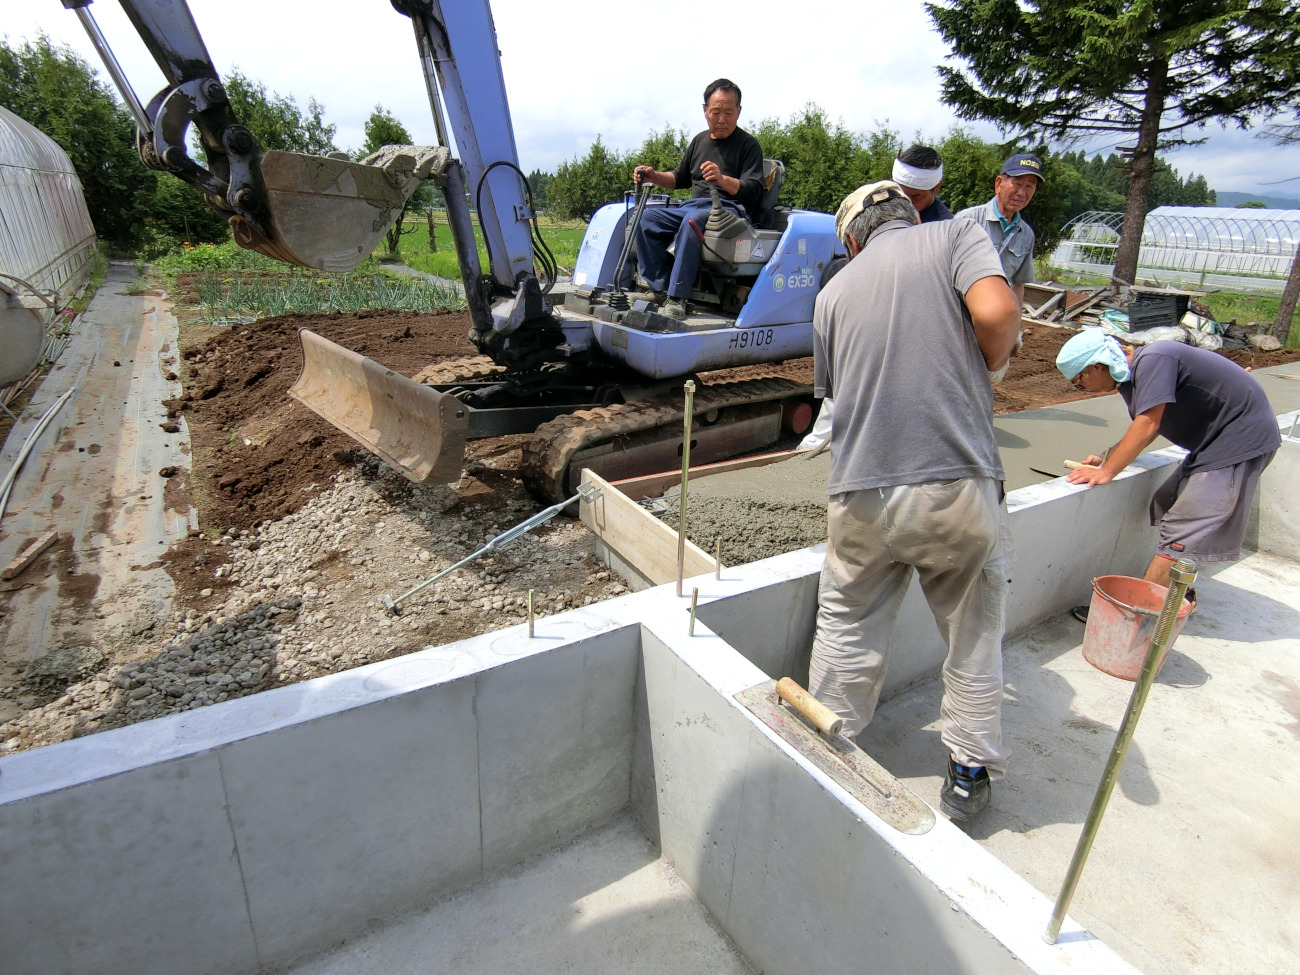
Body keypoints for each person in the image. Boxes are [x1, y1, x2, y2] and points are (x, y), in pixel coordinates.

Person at [808, 180, 1021, 821]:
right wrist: (991, 362)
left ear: (852, 239)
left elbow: (835, 400)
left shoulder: (831, 294)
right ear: (910, 212)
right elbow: (998, 314)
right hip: (952, 486)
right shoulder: (956, 234)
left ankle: (825, 744)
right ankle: (966, 772)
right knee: (973, 636)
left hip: (858, 495)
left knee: (846, 622)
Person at [1056, 330, 1280, 615]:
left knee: (1180, 535)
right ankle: (1179, 594)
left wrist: (1107, 472)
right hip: (1214, 446)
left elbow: (1148, 424)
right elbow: (1150, 424)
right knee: (1168, 500)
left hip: (1238, 444)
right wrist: (1106, 458)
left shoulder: (1154, 359)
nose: (1082, 388)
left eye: (1079, 380)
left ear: (1097, 367)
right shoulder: (1136, 375)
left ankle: (1134, 616)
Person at [631, 79, 764, 319]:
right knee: (647, 218)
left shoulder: (749, 145)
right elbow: (679, 178)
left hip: (729, 209)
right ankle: (659, 288)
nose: (721, 119)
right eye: (715, 112)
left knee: (692, 222)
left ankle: (677, 298)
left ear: (739, 112)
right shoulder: (699, 141)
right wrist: (654, 176)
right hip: (694, 206)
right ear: (705, 110)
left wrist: (722, 180)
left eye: (728, 112)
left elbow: (753, 188)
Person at [955, 152, 1043, 309]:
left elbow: (1018, 284)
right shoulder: (967, 220)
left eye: (1029, 186)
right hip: (962, 312)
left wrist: (1014, 325)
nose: (1022, 193)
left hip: (996, 319)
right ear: (998, 184)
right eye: (1017, 183)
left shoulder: (1027, 234)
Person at [891, 144, 952, 222]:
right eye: (901, 193)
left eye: (915, 196)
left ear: (937, 187)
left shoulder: (942, 228)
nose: (907, 201)